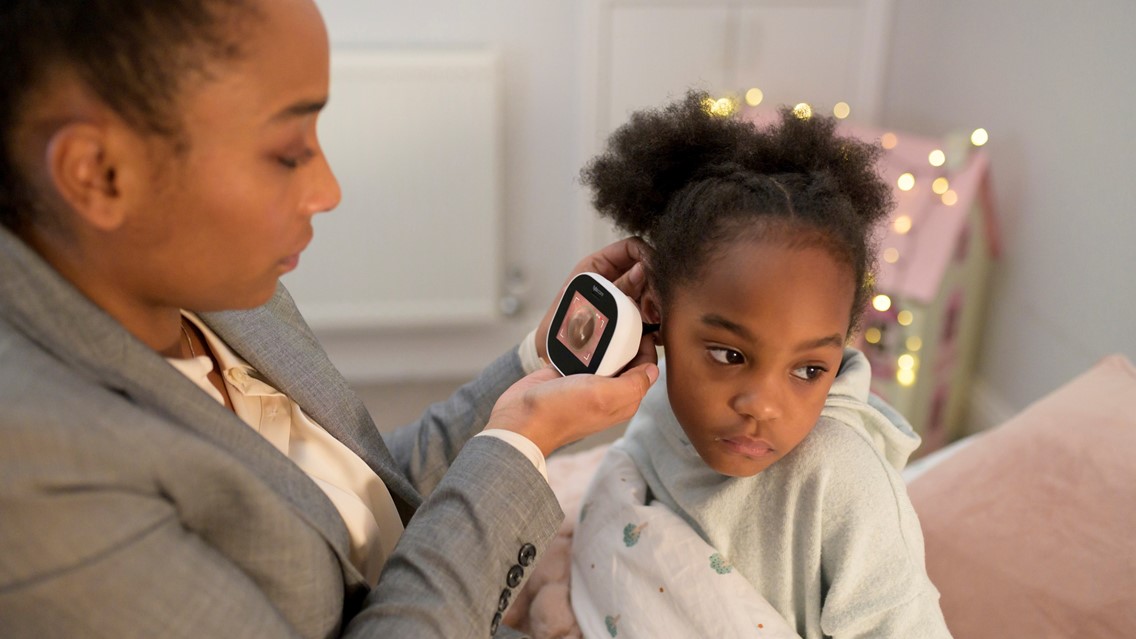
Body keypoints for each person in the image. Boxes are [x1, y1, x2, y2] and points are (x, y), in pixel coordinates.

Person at [0, 1, 658, 637]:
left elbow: (357, 505)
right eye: (289, 151)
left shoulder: (205, 287)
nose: (328, 190)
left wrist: (538, 367)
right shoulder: (36, 479)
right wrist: (519, 446)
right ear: (99, 174)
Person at [569, 92, 953, 638]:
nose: (763, 406)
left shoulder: (845, 485)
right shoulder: (660, 400)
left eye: (808, 370)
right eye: (729, 356)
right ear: (657, 315)